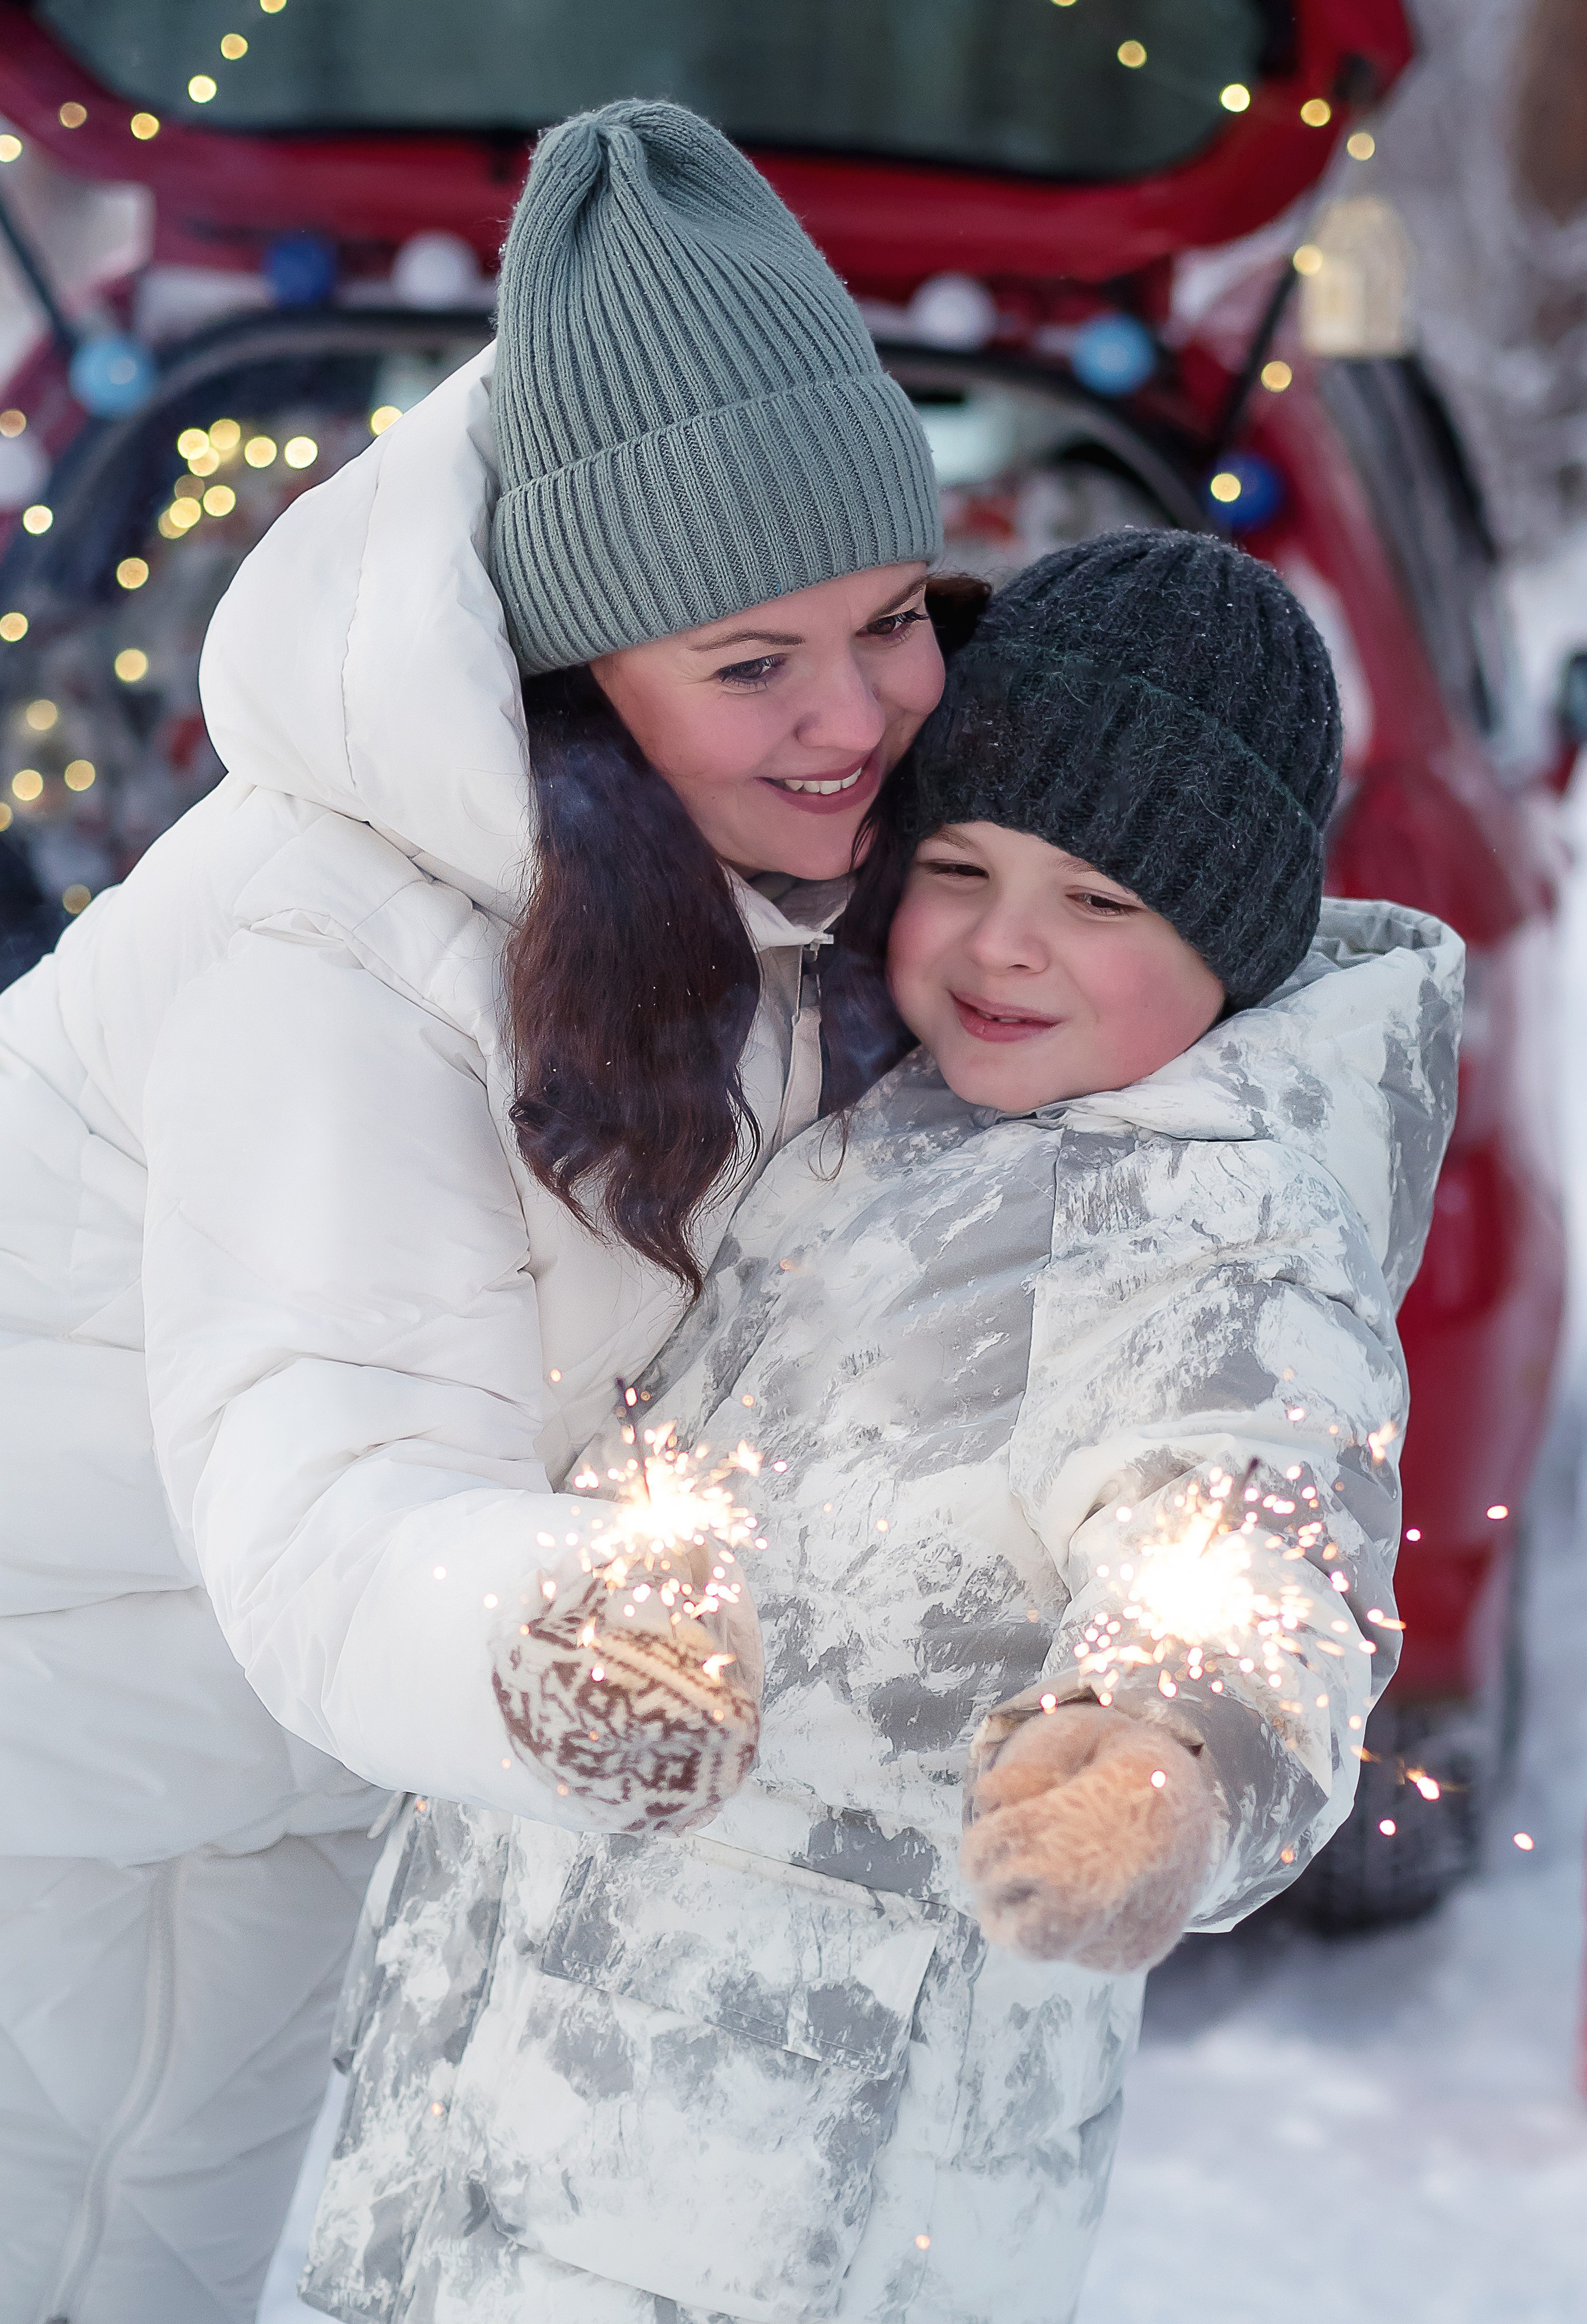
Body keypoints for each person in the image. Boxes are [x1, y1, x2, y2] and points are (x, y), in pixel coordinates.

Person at [0, 100, 948, 2324]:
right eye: (754, 663)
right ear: (572, 664)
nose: (860, 712)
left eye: (897, 618)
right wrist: (569, 1638)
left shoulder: (739, 886)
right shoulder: (323, 946)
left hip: (285, 1767)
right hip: (80, 1762)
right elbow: (329, 1477)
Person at [302, 533, 1464, 2324]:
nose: (1008, 944)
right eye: (961, 867)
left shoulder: (1216, 1235)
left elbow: (1246, 1526)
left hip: (794, 2189)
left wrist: (1167, 1752)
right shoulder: (862, 1131)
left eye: (1102, 903)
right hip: (510, 2105)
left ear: (1232, 941)